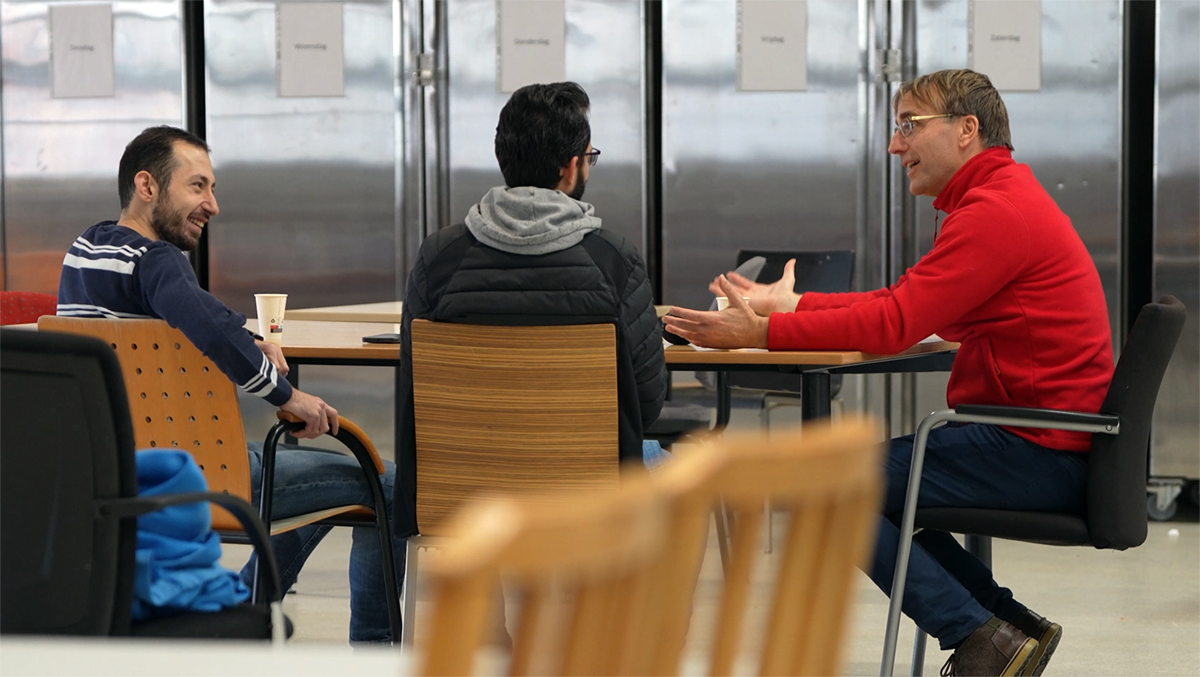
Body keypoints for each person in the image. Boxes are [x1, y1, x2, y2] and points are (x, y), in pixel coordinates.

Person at [664, 69, 1113, 677]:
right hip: (1043, 439)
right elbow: (903, 304)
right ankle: (1006, 629)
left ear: (966, 129)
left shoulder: (996, 211)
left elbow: (895, 322)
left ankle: (984, 637)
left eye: (909, 125)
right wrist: (791, 306)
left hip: (1038, 448)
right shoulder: (998, 199)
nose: (895, 144)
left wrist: (764, 333)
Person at [56, 126, 404, 644]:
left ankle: (244, 603)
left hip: (115, 471)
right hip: (195, 473)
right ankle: (375, 651)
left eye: (212, 188)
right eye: (197, 186)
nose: (212, 205)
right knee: (383, 481)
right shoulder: (157, 261)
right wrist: (290, 397)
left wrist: (243, 333)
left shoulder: (85, 251)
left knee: (330, 479)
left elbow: (202, 314)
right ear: (147, 186)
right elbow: (208, 327)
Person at [395, 81, 668, 540]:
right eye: (589, 157)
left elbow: (413, 391)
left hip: (462, 498)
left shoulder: (437, 259)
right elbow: (646, 403)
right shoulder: (614, 261)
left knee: (388, 488)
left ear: (502, 158)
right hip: (590, 499)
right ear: (572, 167)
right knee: (680, 472)